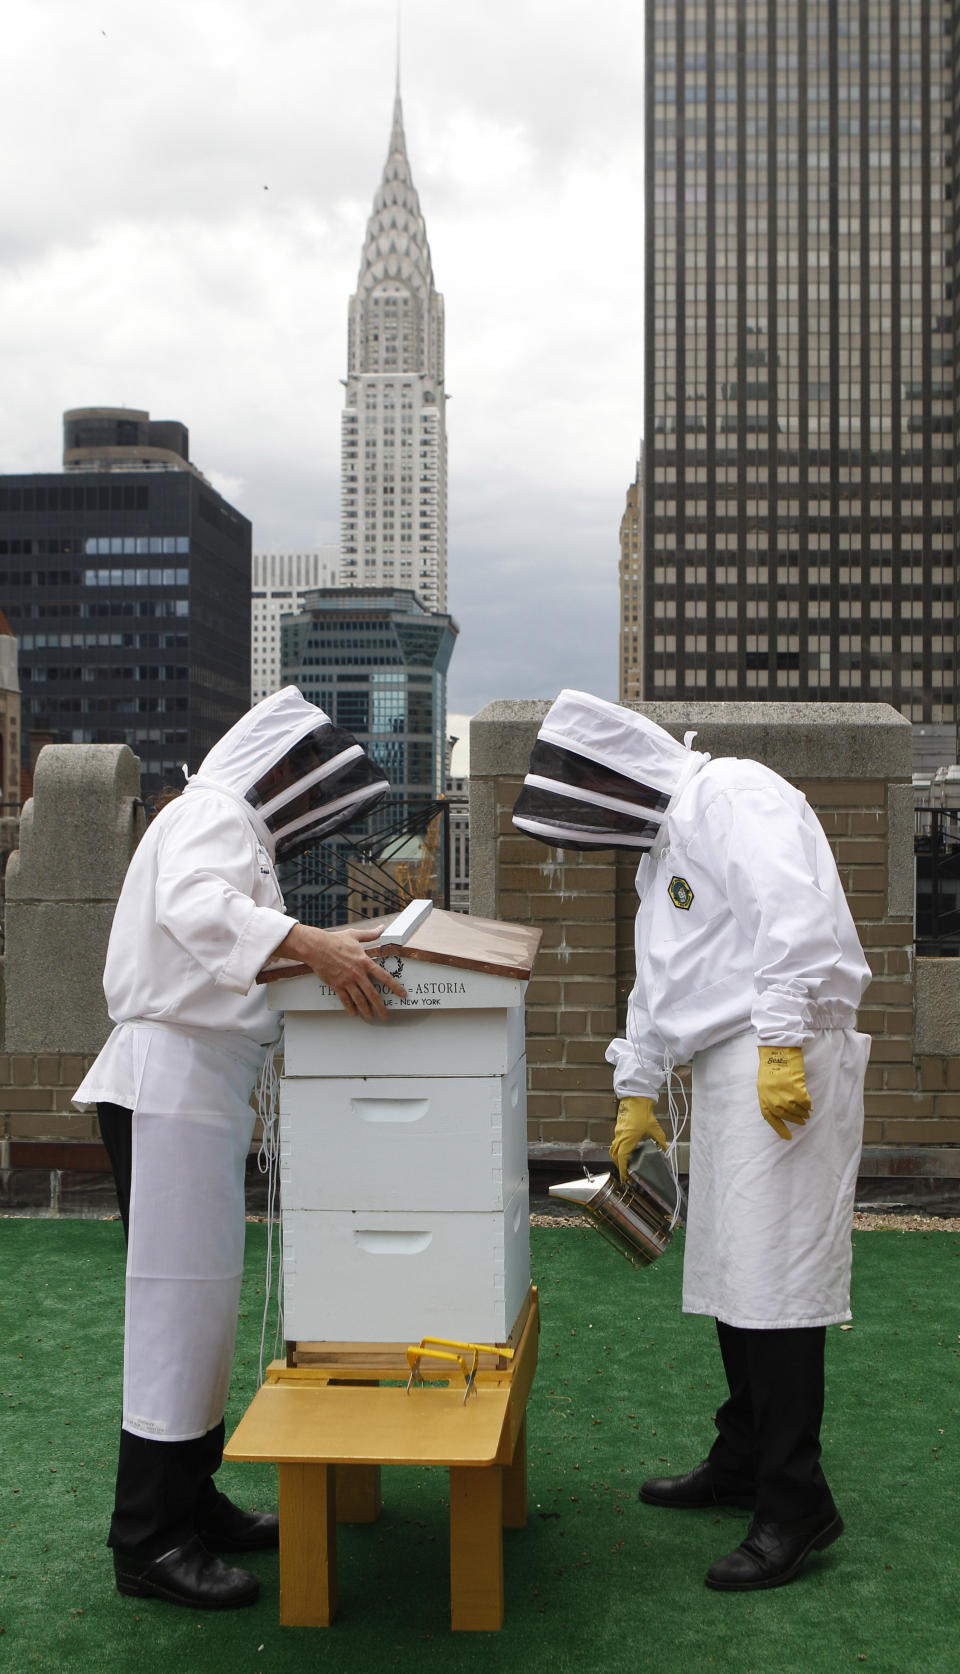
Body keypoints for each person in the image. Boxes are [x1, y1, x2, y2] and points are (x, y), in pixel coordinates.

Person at [513, 690, 871, 1592]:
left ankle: (796, 1502)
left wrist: (785, 1037)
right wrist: (636, 1088)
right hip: (731, 1058)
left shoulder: (734, 794)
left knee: (776, 1272)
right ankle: (745, 1456)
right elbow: (666, 970)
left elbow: (791, 910)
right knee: (730, 1264)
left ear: (614, 771)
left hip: (781, 1050)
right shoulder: (667, 839)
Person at [74, 686, 406, 1611]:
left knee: (206, 1306)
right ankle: (147, 1538)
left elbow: (240, 942)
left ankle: (193, 1499)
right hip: (171, 1079)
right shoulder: (214, 813)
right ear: (273, 764)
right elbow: (196, 907)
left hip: (197, 1084)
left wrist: (332, 945)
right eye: (299, 772)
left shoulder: (224, 821)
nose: (304, 791)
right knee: (177, 1312)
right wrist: (315, 944)